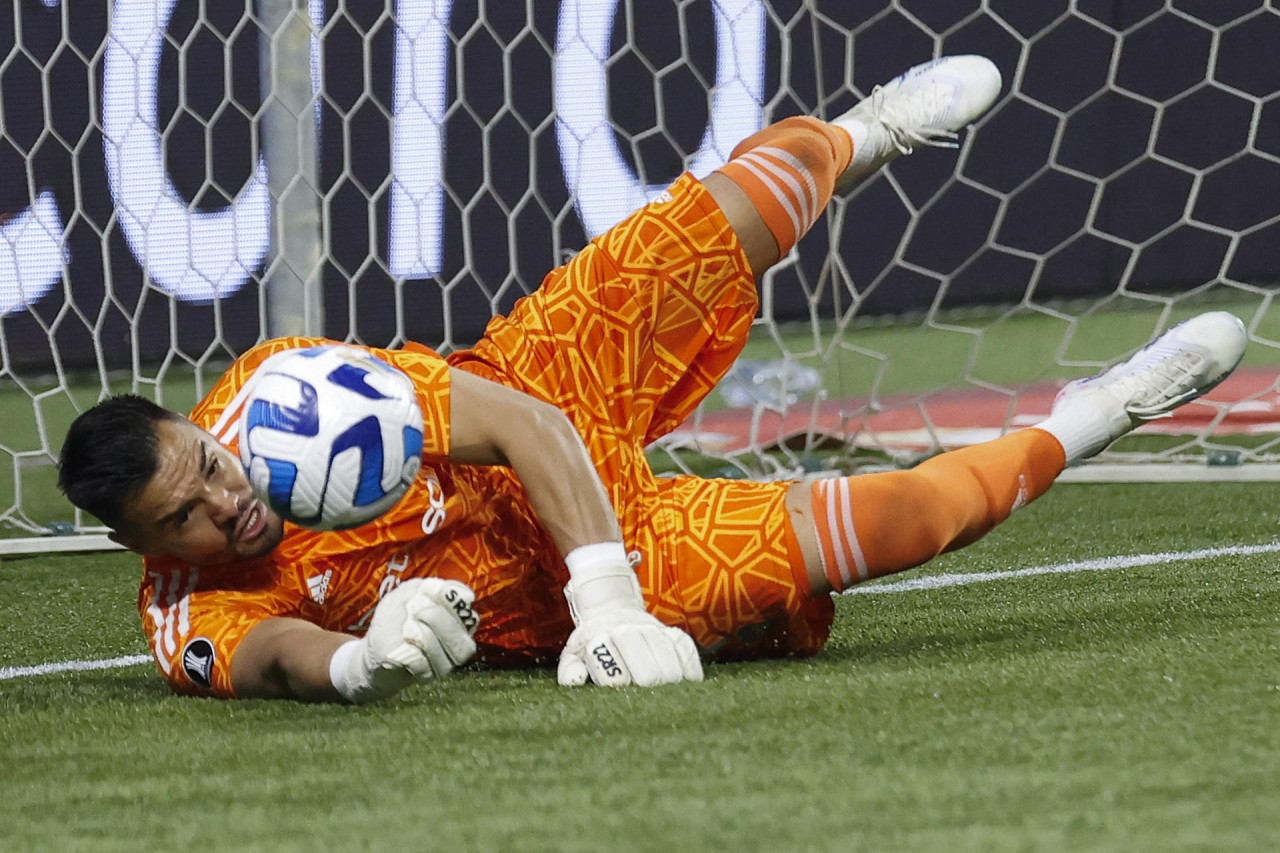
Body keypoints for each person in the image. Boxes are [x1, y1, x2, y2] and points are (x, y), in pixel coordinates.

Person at [58, 56, 1247, 702]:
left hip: (534, 398)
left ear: (198, 424)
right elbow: (269, 659)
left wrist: (609, 601)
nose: (226, 501)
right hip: (530, 583)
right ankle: (1112, 406)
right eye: (187, 518)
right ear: (143, 546)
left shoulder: (282, 383)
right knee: (902, 520)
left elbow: (518, 421)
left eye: (206, 467)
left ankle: (861, 134)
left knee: (714, 220)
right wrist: (364, 658)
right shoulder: (189, 614)